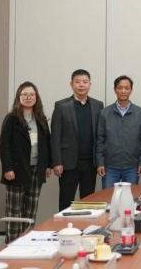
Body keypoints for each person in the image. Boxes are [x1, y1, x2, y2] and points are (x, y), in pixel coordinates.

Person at [0, 82, 52, 243]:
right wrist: (7, 168)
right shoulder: (12, 119)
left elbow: (46, 143)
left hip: (36, 169)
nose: (28, 97)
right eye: (25, 94)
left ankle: (27, 244)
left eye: (32, 95)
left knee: (31, 210)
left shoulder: (41, 119)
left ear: (36, 97)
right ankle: (12, 245)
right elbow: (4, 145)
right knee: (15, 212)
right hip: (16, 170)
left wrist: (48, 165)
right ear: (19, 97)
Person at [51, 69, 104, 211]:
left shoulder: (98, 105)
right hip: (68, 164)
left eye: (85, 82)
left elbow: (100, 135)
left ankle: (85, 225)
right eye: (78, 82)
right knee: (66, 202)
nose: (81, 85)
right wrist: (57, 162)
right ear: (71, 84)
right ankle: (65, 225)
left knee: (88, 203)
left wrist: (100, 161)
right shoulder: (61, 106)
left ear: (90, 84)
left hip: (90, 163)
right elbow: (55, 136)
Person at [96, 75, 141, 188]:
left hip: (132, 166)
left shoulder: (140, 113)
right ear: (115, 90)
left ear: (131, 90)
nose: (123, 91)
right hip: (109, 166)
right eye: (120, 88)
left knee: (130, 197)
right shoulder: (104, 113)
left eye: (127, 88)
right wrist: (100, 162)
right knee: (108, 197)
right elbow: (99, 140)